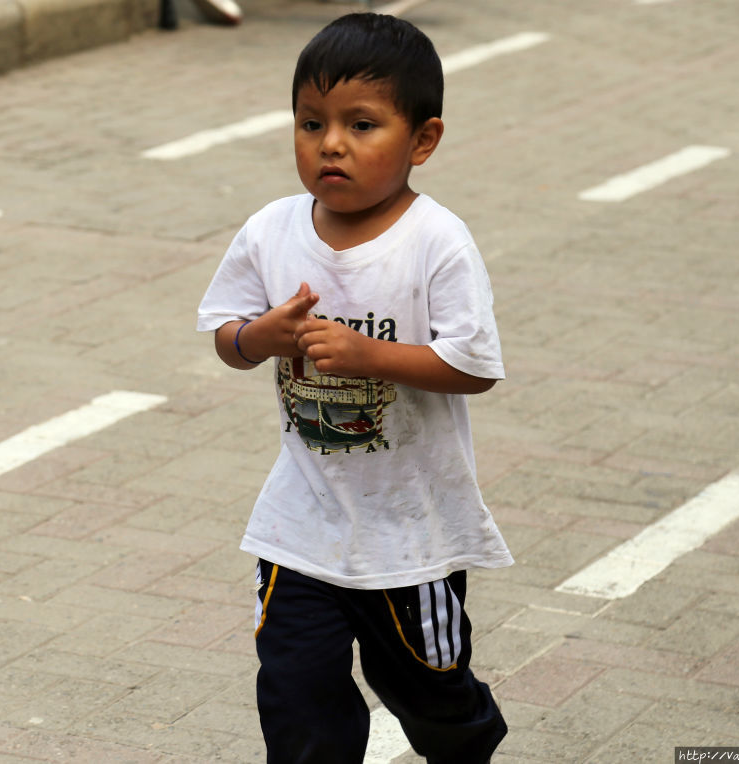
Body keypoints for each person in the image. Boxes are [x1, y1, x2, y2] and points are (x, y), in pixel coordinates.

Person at [195, 13, 511, 763]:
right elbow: (226, 335)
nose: (330, 143)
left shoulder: (435, 241)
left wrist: (374, 355)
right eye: (311, 122)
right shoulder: (272, 229)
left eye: (361, 124)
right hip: (299, 524)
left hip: (412, 533)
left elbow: (474, 366)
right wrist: (258, 337)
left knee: (428, 693)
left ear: (422, 141)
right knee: (296, 694)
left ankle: (467, 744)